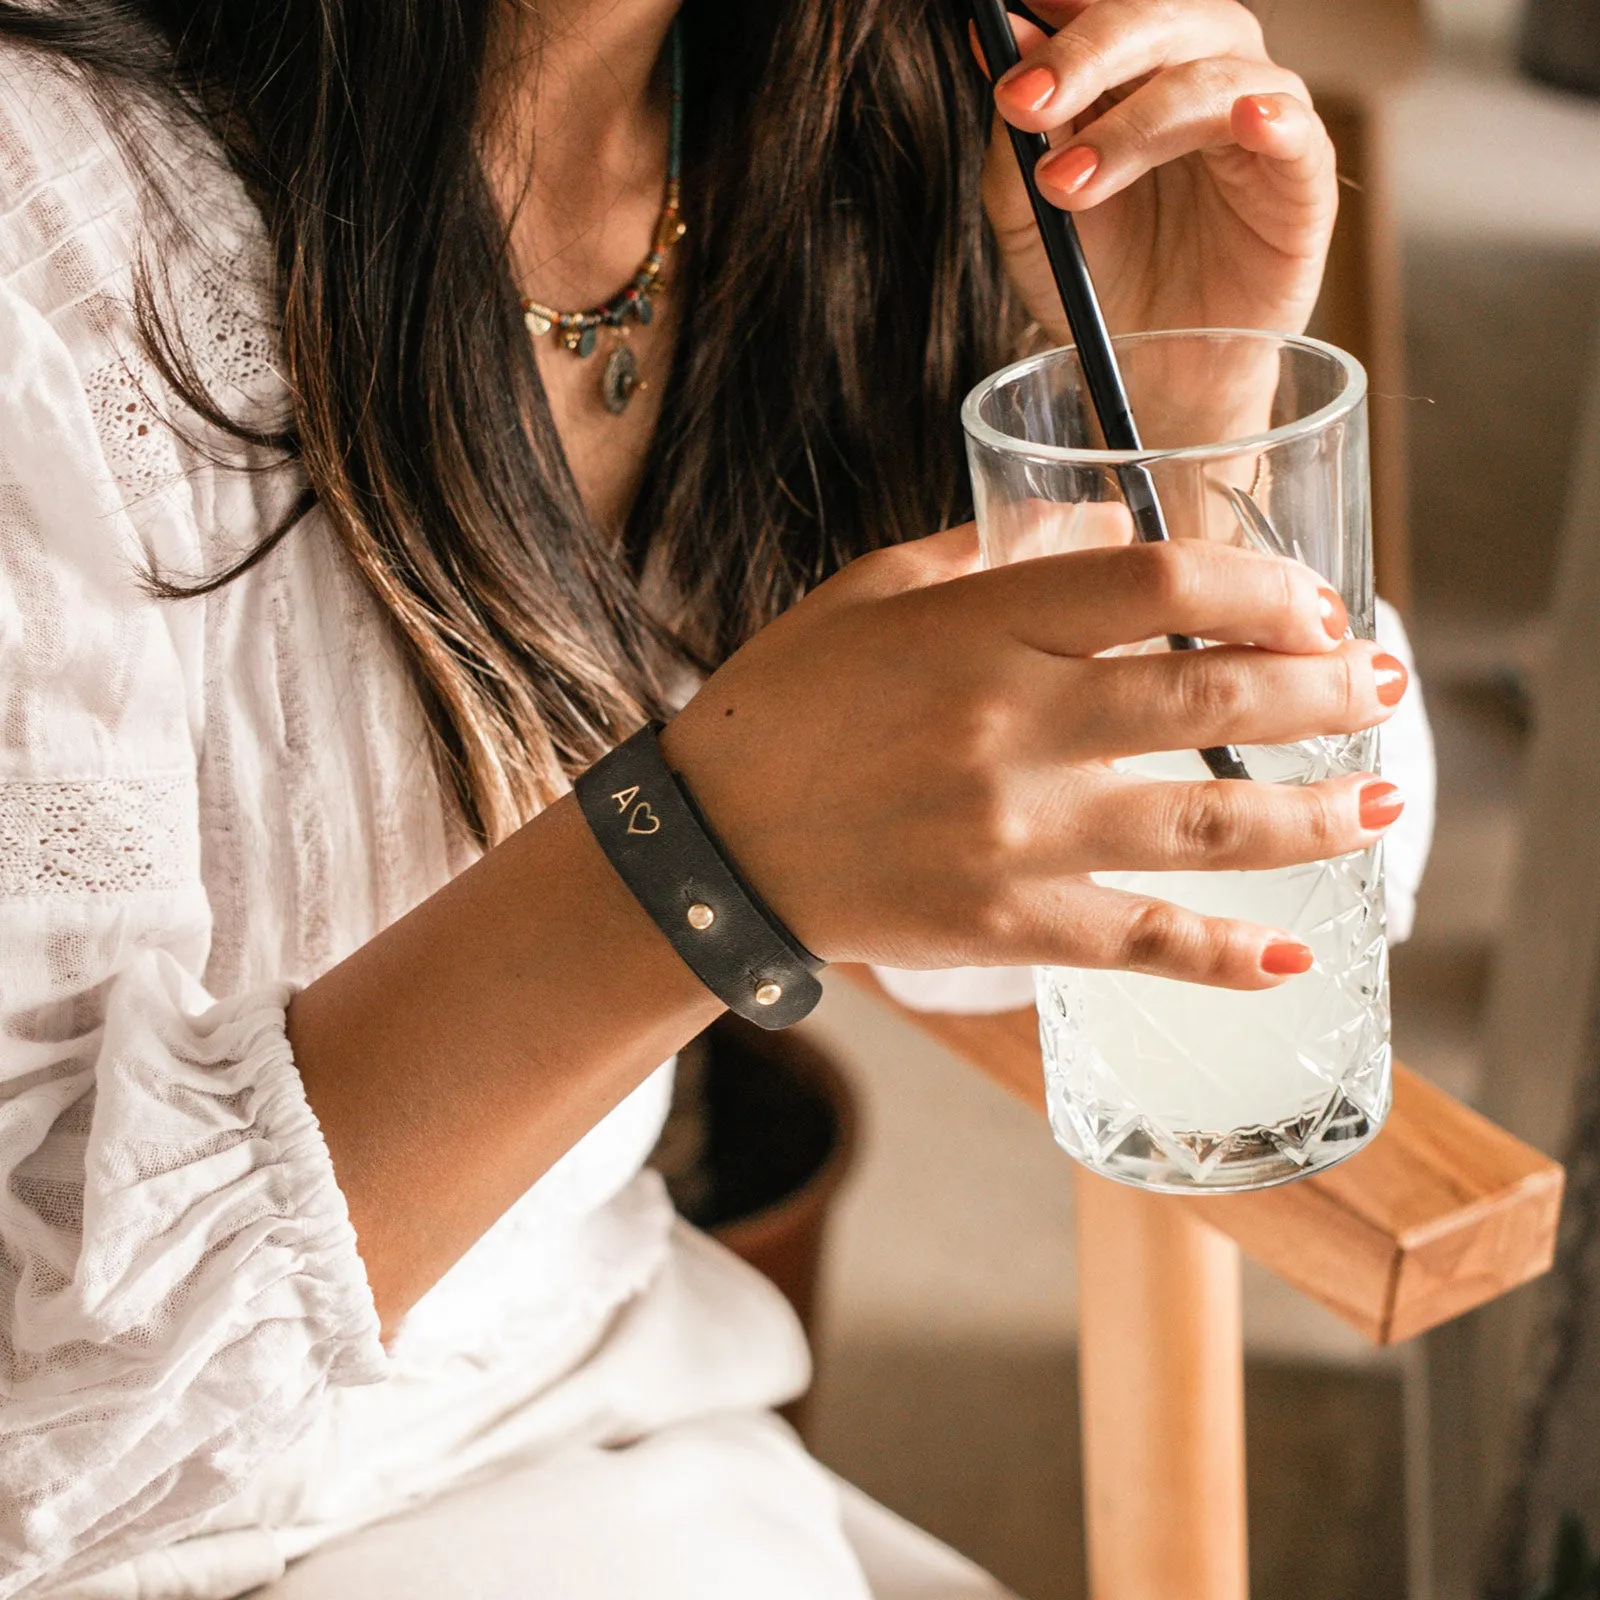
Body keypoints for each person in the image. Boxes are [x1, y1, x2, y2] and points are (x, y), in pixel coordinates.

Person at [0, 0, 1430, 1595]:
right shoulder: (40, 227)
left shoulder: (822, 117)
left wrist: (1161, 457)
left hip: (618, 1446)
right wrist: (696, 864)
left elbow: (1138, 975)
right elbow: (35, 1437)